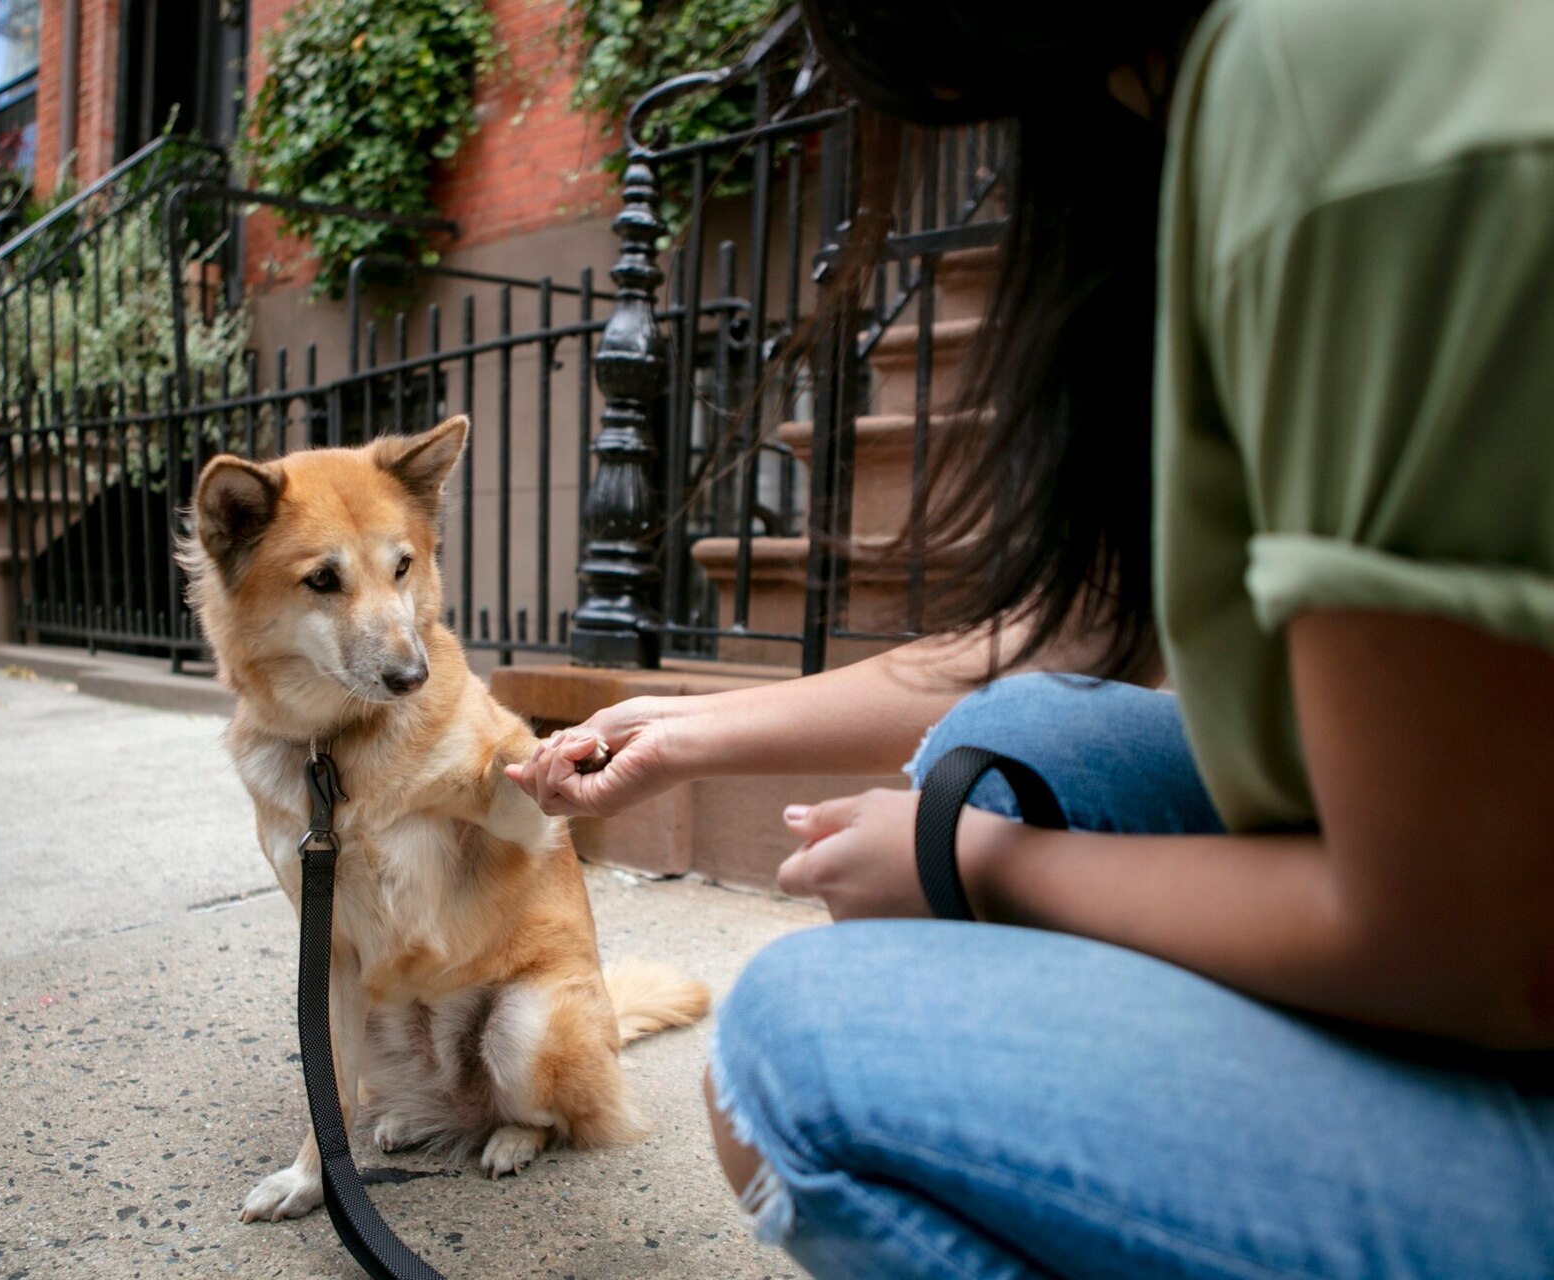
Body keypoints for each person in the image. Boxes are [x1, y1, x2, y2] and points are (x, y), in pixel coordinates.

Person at [507, 0, 1554, 1274]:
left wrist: (980, 861)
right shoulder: (1205, 88)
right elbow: (1086, 626)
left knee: (797, 1050)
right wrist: (684, 730)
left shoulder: (1322, 82)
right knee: (1016, 742)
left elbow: (1475, 940)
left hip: (1493, 976)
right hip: (1488, 938)